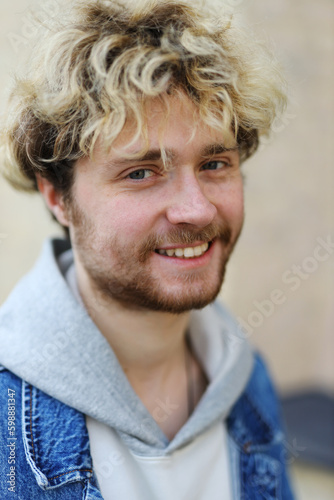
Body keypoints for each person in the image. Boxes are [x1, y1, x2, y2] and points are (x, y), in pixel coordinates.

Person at [0, 0, 295, 498]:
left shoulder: (247, 381)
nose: (196, 210)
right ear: (57, 196)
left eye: (215, 163)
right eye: (141, 172)